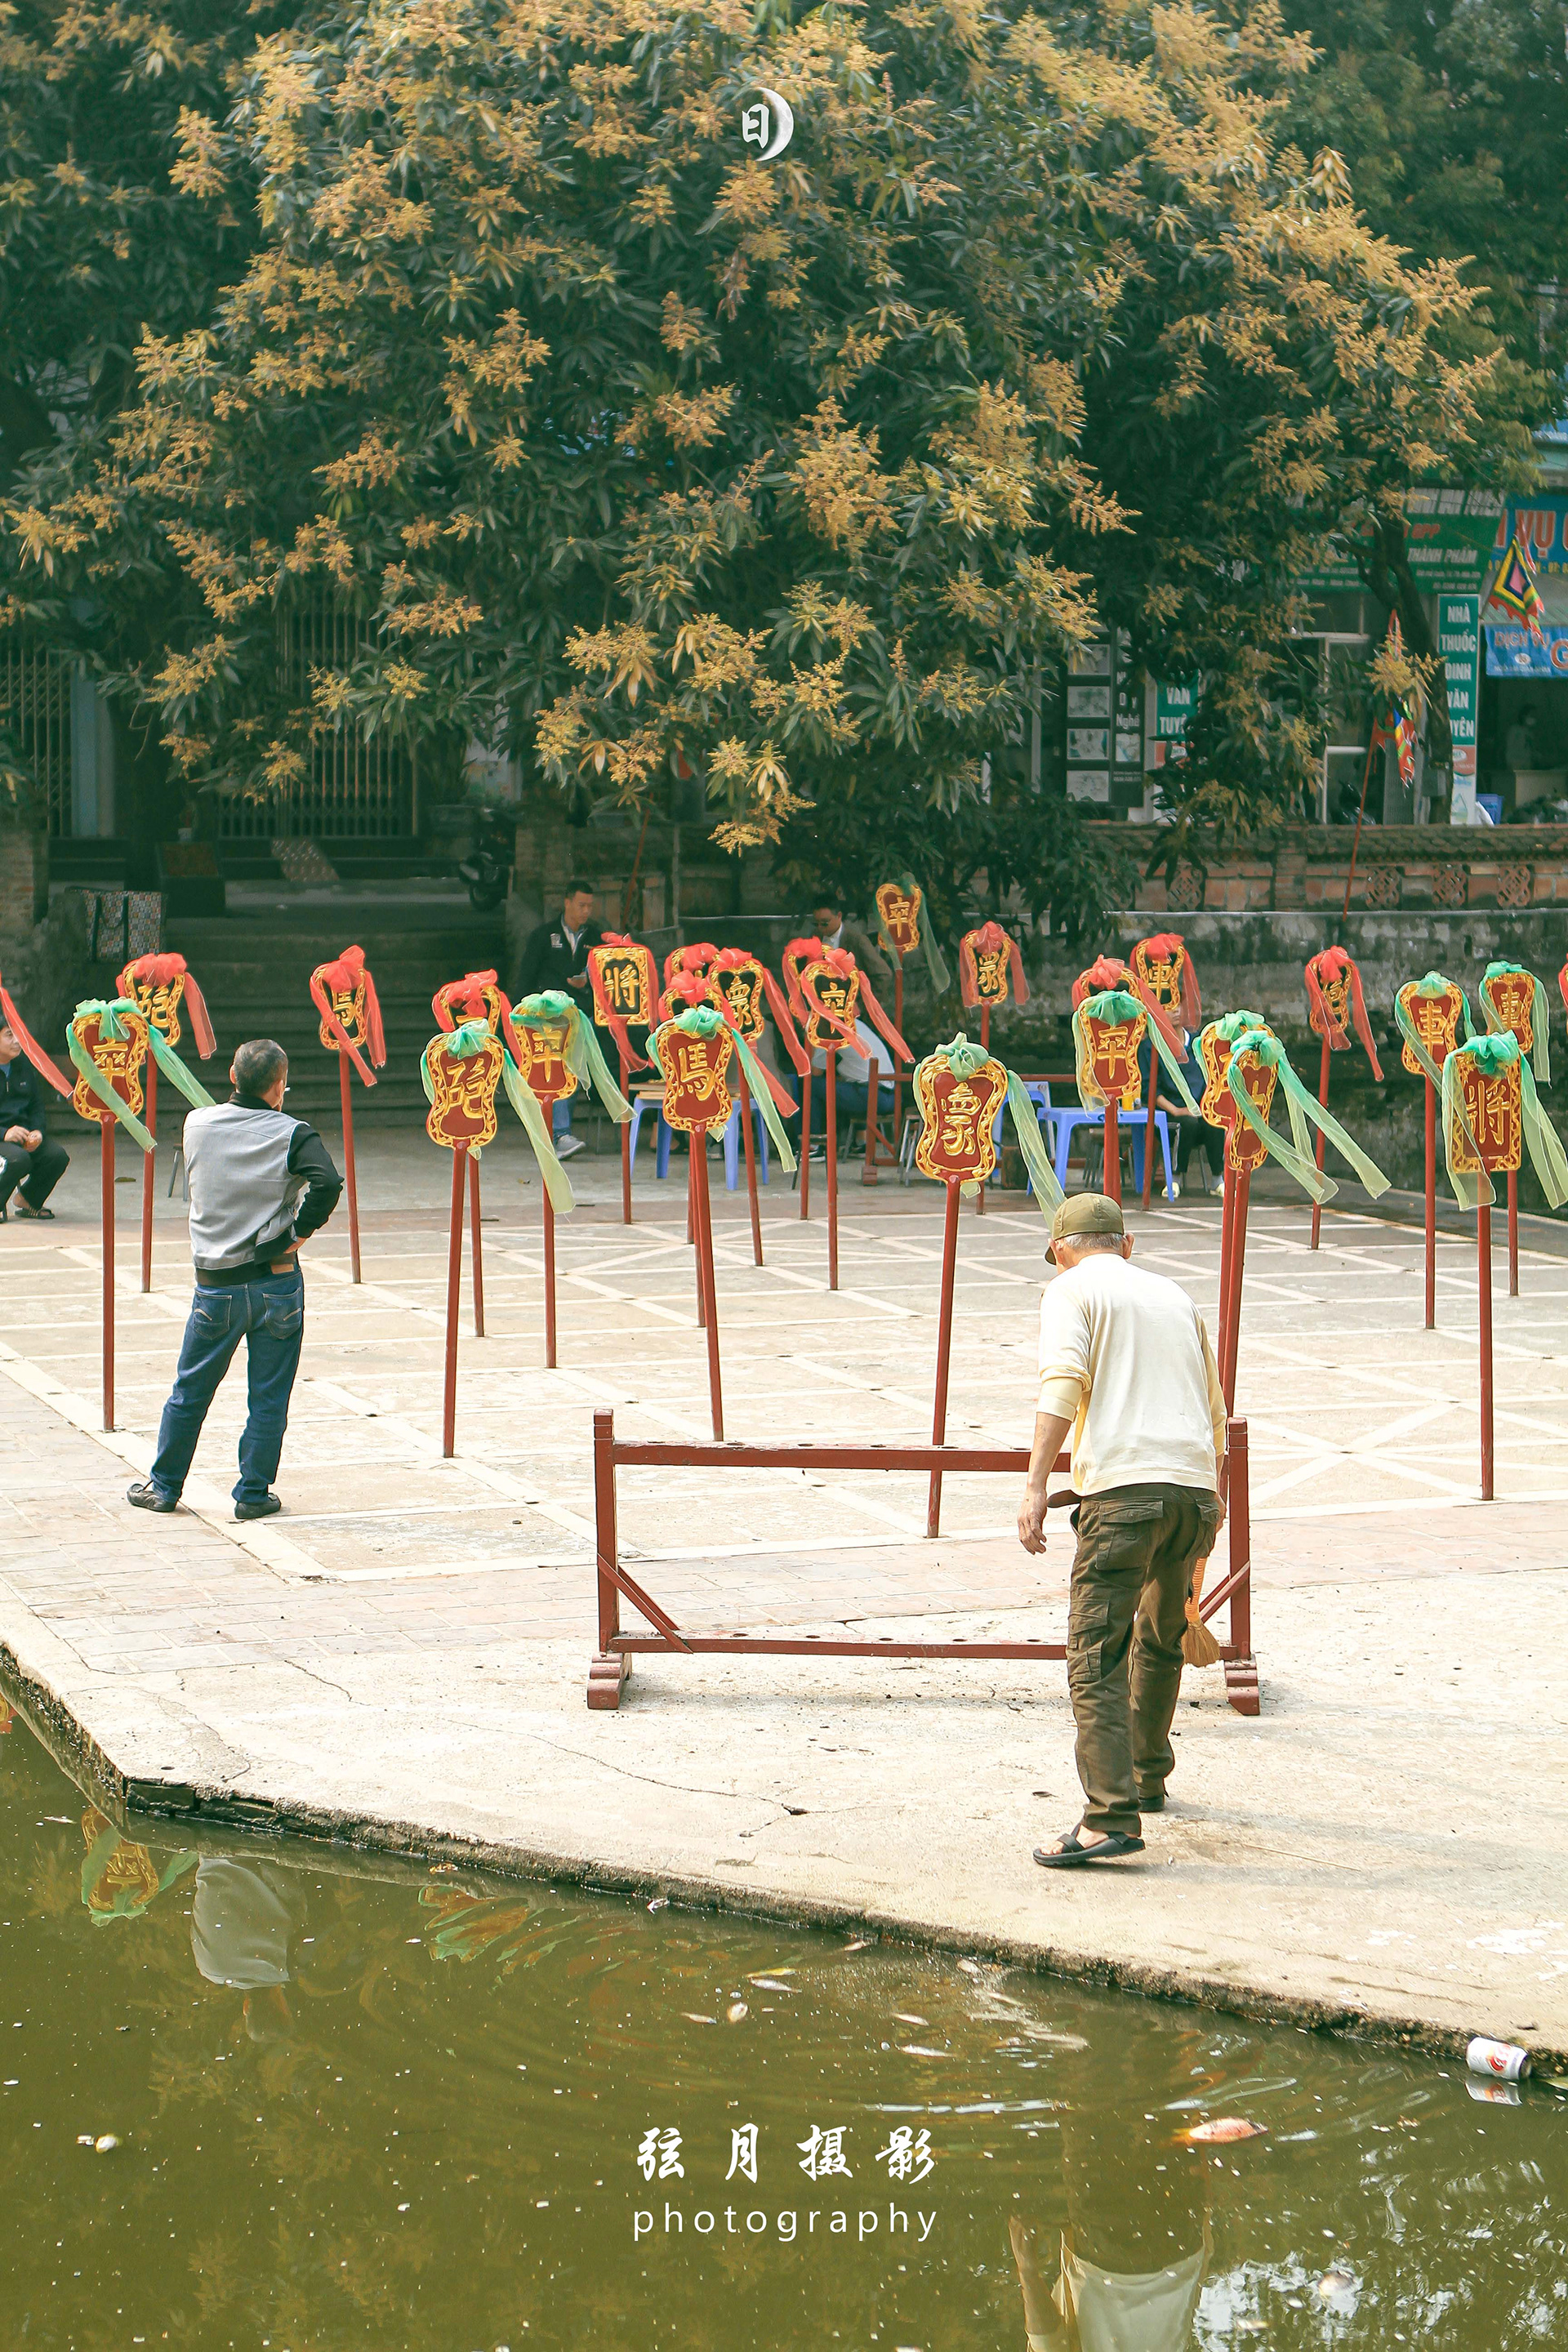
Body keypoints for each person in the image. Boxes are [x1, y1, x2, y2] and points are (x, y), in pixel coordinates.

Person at [1018, 1192, 1226, 1867]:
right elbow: (1216, 1410)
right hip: (1193, 1495)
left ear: (1061, 1252)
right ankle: (1146, 1777)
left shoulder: (1070, 1291)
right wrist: (1212, 1497)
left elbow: (1062, 1384)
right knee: (1160, 1641)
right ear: (1126, 1245)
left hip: (1124, 1500)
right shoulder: (1176, 1296)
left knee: (1096, 1655)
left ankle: (1109, 1817)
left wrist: (1034, 1484)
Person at [127, 1038, 341, 1522]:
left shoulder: (197, 1124)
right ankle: (253, 1493)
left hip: (216, 1285)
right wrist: (299, 1232)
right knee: (269, 1396)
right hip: (277, 1282)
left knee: (190, 1391)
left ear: (232, 1076)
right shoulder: (293, 1133)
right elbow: (329, 1182)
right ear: (280, 1086)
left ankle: (164, 1486)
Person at [516, 880, 605, 1159]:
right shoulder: (544, 936)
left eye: (590, 906)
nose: (586, 911)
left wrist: (588, 981)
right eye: (581, 905)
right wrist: (520, 1013)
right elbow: (527, 976)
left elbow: (606, 976)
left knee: (572, 1071)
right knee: (558, 1069)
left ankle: (560, 1132)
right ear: (567, 903)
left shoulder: (595, 936)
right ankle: (561, 1134)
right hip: (548, 1019)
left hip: (581, 1016)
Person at [1135, 1027, 1223, 1199]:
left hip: (1198, 1109)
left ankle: (1217, 1179)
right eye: (1170, 1011)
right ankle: (1174, 1179)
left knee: (1215, 1122)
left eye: (1178, 1010)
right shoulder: (1150, 1047)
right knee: (1187, 1124)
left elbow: (1211, 1080)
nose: (1175, 1013)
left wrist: (1204, 1108)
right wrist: (1176, 1110)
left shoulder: (1199, 1044)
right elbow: (1149, 1090)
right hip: (1167, 1114)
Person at [0, 1020, 69, 1220]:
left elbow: (36, 1105)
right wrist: (5, 1133)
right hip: (3, 1138)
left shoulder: (23, 1065)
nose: (17, 1041)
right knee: (17, 1159)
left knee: (57, 1156)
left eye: (18, 1034)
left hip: (22, 1135)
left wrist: (37, 1131)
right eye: (9, 1035)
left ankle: (29, 1199)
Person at [808, 896, 891, 990]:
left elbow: (884, 974)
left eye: (825, 923)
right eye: (816, 923)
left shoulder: (857, 940)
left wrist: (865, 998)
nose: (820, 927)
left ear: (839, 916)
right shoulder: (816, 935)